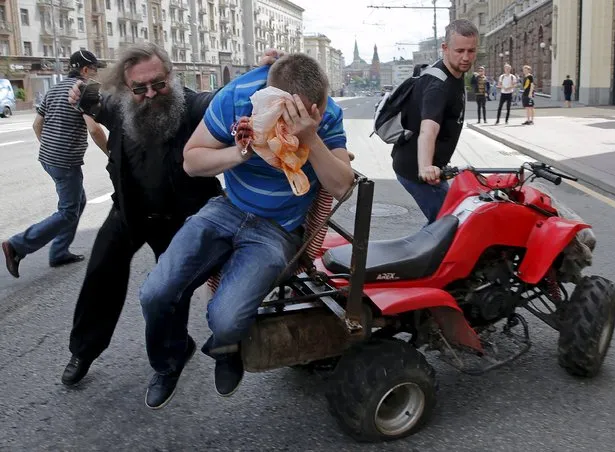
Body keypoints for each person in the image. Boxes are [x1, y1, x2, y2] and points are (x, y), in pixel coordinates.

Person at [137, 53, 353, 409]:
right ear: (272, 99)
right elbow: (192, 161)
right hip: (228, 208)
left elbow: (343, 186)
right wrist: (240, 153)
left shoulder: (323, 115)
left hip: (277, 229)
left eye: (315, 111)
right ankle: (169, 361)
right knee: (155, 293)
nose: (305, 119)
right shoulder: (239, 97)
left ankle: (225, 347)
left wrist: (311, 138)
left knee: (226, 317)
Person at [59, 42, 280, 387]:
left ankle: (174, 356)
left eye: (158, 84)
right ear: (127, 87)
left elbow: (225, 97)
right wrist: (79, 94)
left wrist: (262, 73)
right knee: (101, 275)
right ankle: (83, 351)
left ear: (171, 76)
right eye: (140, 88)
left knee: (170, 291)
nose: (151, 94)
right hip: (128, 210)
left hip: (182, 216)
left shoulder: (192, 106)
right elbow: (96, 103)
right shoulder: (120, 105)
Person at [2, 50, 108, 279]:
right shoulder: (82, 90)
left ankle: (59, 251)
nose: (96, 73)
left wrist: (51, 148)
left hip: (48, 158)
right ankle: (17, 245)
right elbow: (94, 129)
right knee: (69, 211)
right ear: (85, 69)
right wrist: (112, 153)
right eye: (94, 69)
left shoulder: (55, 88)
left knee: (78, 202)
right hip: (65, 162)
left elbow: (36, 124)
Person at [390, 19, 478, 224]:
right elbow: (428, 129)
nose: (466, 57)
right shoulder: (438, 86)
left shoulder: (453, 73)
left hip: (430, 169)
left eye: (471, 51)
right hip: (417, 172)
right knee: (448, 228)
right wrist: (425, 167)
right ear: (445, 48)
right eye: (460, 51)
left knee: (445, 225)